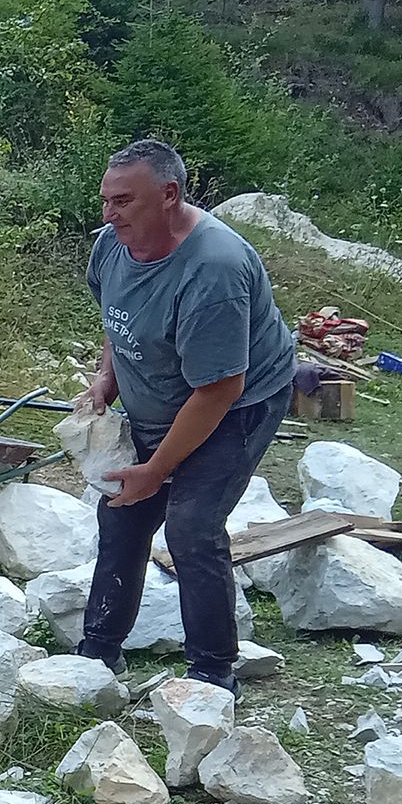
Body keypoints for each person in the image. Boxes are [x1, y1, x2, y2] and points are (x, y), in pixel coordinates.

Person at [74, 138, 297, 693]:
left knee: (192, 527)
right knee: (121, 515)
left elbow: (218, 391)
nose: (108, 213)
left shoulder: (214, 271)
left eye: (123, 201)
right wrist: (107, 377)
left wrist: (156, 472)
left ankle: (212, 674)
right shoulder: (111, 247)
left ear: (169, 195)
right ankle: (97, 654)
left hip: (236, 405)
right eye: (106, 199)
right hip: (165, 395)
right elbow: (117, 319)